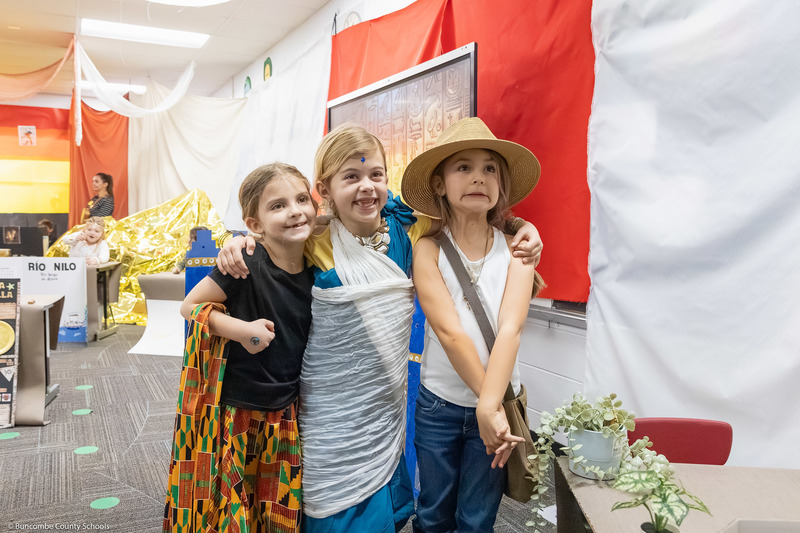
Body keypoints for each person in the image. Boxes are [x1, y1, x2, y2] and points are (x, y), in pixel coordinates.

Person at [217, 124, 543, 532]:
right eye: (351, 177)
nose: (367, 186)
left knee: (449, 510)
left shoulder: (410, 231)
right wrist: (240, 240)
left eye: (376, 175)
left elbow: (470, 217)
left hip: (384, 405)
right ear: (325, 189)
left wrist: (525, 229)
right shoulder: (314, 242)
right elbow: (273, 243)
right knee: (339, 501)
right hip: (331, 409)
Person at [401, 117, 546, 533]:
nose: (478, 177)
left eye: (489, 169)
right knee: (432, 512)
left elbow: (511, 328)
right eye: (463, 167)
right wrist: (488, 404)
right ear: (440, 184)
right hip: (439, 407)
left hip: (497, 406)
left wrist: (489, 406)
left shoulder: (518, 249)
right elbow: (449, 332)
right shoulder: (427, 249)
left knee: (478, 516)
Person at [162, 163, 316, 533]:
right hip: (237, 411)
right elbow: (190, 307)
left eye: (301, 199)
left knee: (274, 504)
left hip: (283, 412)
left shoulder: (317, 262)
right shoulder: (245, 261)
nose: (294, 210)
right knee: (231, 508)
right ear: (255, 224)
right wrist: (242, 329)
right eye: (278, 205)